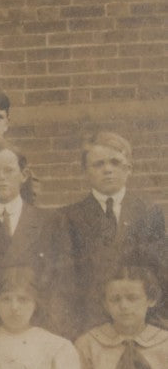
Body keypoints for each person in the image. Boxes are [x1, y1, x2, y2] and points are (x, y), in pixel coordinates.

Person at [62, 130, 168, 333]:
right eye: (98, 164)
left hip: (141, 323)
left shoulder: (149, 213)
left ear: (129, 168)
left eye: (115, 162)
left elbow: (160, 272)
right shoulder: (68, 217)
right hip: (89, 326)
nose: (107, 170)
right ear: (85, 171)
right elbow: (67, 281)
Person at [0, 145, 73, 336]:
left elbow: (62, 280)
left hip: (40, 325)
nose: (1, 177)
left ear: (24, 175)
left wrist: (53, 327)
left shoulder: (50, 221)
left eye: (8, 170)